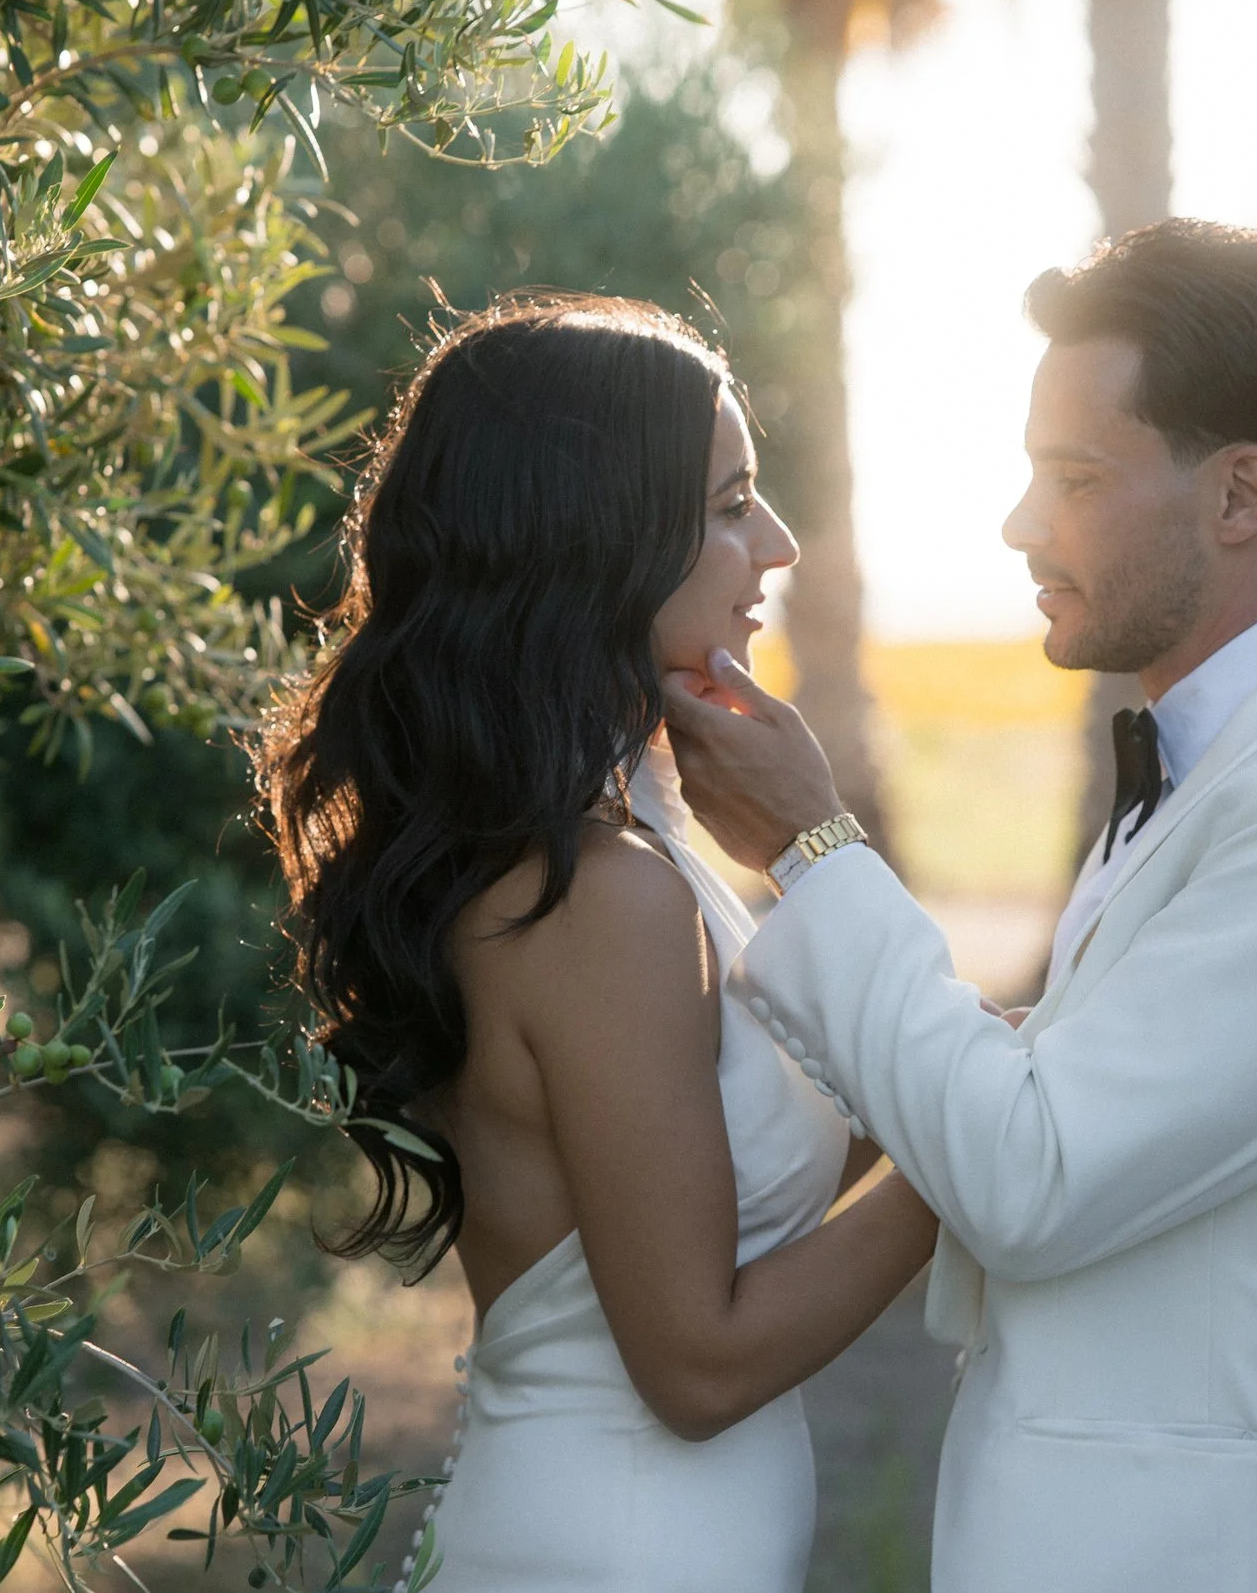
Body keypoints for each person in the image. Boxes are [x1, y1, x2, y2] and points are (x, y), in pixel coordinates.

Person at [661, 220, 1257, 1593]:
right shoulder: (1224, 769)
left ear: (1243, 494)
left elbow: (1031, 1176)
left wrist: (816, 845)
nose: (1019, 523)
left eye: (1072, 476)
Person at [256, 295, 938, 1593]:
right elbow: (697, 1362)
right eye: (733, 505)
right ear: (594, 545)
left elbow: (760, 1144)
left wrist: (822, 859)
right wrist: (972, 1155)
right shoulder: (596, 895)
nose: (778, 545)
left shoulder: (631, 844)